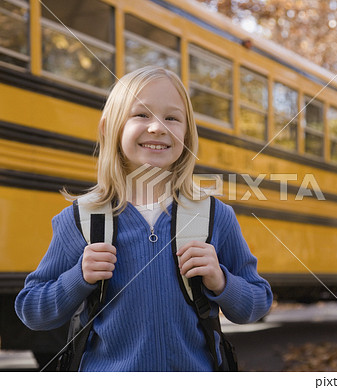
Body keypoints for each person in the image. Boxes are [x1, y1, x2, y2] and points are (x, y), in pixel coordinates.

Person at [15, 66, 273, 371]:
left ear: (187, 135)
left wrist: (221, 281)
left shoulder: (215, 217)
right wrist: (78, 278)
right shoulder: (82, 219)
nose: (157, 128)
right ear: (109, 128)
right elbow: (32, 310)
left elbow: (257, 302)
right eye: (141, 115)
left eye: (172, 118)